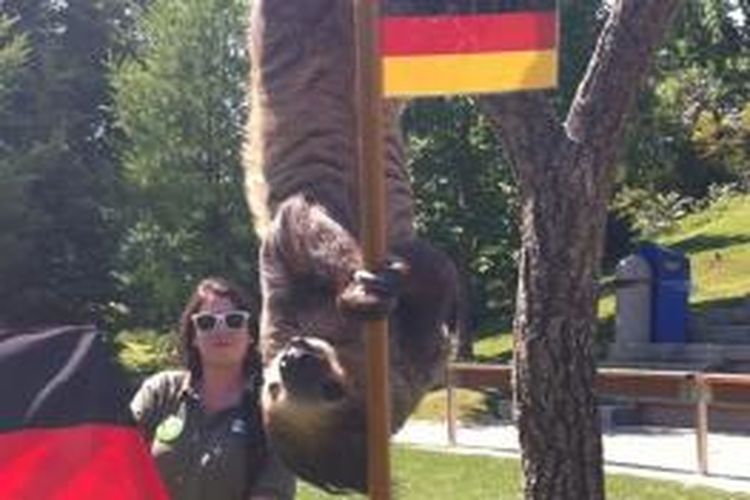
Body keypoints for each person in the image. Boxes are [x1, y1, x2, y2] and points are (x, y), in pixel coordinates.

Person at [130, 277, 296, 500]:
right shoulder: (160, 391)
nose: (221, 330)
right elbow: (116, 453)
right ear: (194, 337)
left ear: (251, 335)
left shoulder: (273, 410)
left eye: (234, 320)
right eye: (207, 322)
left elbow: (273, 492)